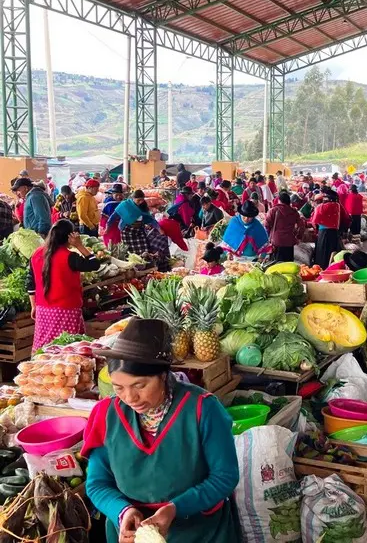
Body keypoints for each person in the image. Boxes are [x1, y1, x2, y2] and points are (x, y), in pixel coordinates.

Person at [83, 318, 238, 543]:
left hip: (200, 531)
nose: (130, 397)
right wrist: (122, 511)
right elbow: (97, 483)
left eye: (140, 385)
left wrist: (175, 508)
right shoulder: (107, 415)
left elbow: (225, 476)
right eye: (119, 388)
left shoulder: (202, 409)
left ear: (164, 376)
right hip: (133, 535)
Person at [27, 220, 100, 351]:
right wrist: (79, 245)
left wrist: (33, 306)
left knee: (45, 348)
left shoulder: (36, 254)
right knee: (67, 349)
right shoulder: (70, 257)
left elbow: (30, 283)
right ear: (70, 237)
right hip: (67, 310)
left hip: (43, 310)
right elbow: (94, 264)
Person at [264, 192, 302, 261]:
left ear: (279, 200)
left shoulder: (273, 210)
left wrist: (269, 235)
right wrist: (298, 236)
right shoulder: (294, 212)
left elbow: (267, 225)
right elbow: (301, 226)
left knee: (275, 265)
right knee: (288, 265)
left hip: (276, 241)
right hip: (289, 241)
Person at [311, 192, 344, 268]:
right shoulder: (337, 205)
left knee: (323, 253)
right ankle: (332, 267)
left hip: (324, 233)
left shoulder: (321, 207)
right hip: (334, 232)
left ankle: (322, 268)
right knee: (332, 252)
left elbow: (314, 221)